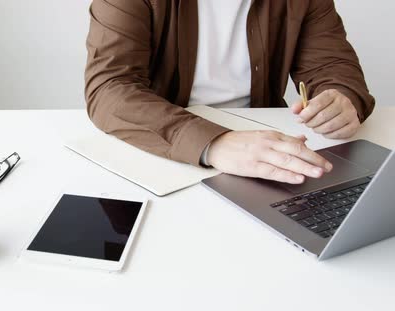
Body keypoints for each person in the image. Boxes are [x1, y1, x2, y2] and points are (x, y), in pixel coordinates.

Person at [84, 0, 374, 184]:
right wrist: (215, 143)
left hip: (265, 141)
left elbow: (331, 65)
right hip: (161, 144)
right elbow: (109, 88)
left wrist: (342, 97)